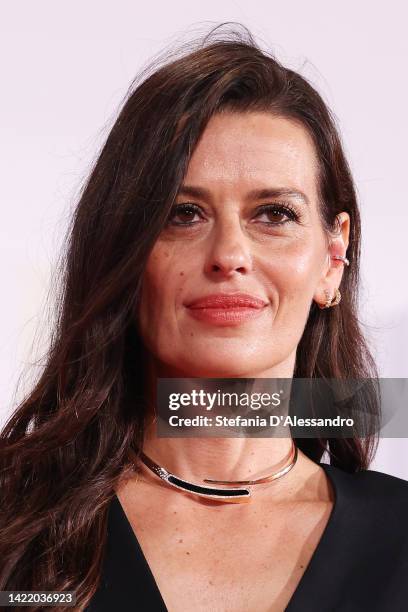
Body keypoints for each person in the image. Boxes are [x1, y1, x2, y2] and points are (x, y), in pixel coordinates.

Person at [1, 23, 408, 612]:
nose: (229, 256)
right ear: (123, 249)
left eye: (274, 214)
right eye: (183, 214)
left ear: (333, 257)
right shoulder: (15, 530)